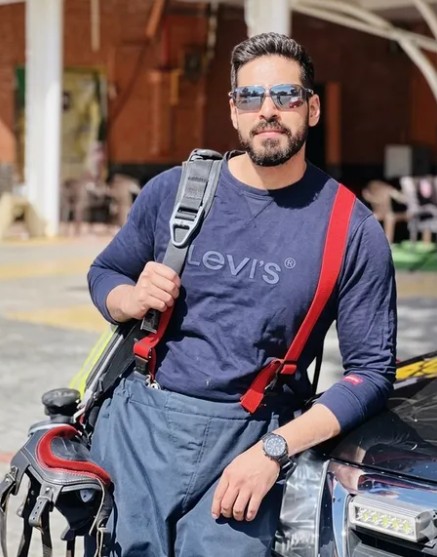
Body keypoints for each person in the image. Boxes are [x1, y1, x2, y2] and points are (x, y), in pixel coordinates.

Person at [86, 32, 397, 557]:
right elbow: (106, 271)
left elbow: (370, 374)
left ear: (312, 109)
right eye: (251, 96)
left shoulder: (352, 230)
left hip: (250, 448)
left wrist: (274, 450)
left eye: (286, 96)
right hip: (138, 433)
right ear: (234, 110)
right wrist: (128, 298)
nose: (268, 110)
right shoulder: (175, 190)